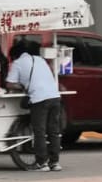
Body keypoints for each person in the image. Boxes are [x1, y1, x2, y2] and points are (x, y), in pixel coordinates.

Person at [5, 39, 64, 172]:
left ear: (14, 55)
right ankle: (55, 163)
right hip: (55, 97)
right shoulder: (40, 60)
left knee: (39, 131)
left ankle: (41, 163)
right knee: (53, 131)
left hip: (39, 99)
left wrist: (22, 86)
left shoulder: (17, 63)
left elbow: (10, 84)